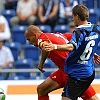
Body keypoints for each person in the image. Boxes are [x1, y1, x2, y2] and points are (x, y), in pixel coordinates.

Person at [24, 25, 100, 100]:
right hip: (63, 70)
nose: (29, 42)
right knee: (41, 89)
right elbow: (78, 39)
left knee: (93, 98)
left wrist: (41, 64)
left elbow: (45, 46)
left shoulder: (41, 40)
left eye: (29, 39)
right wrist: (90, 51)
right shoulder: (56, 35)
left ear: (35, 35)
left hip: (73, 73)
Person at [43, 4, 100, 100]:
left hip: (78, 74)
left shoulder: (79, 32)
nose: (72, 19)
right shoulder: (96, 28)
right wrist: (92, 53)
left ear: (77, 16)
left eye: (73, 16)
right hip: (88, 71)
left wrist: (54, 46)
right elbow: (87, 43)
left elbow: (71, 47)